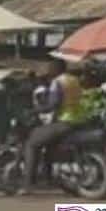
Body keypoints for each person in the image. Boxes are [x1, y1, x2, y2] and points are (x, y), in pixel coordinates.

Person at [18, 59, 84, 195]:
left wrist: (34, 111)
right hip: (79, 120)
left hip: (64, 122)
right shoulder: (74, 80)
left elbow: (53, 104)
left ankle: (28, 184)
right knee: (48, 143)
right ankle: (49, 177)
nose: (49, 72)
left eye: (50, 68)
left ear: (56, 69)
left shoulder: (57, 82)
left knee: (32, 143)